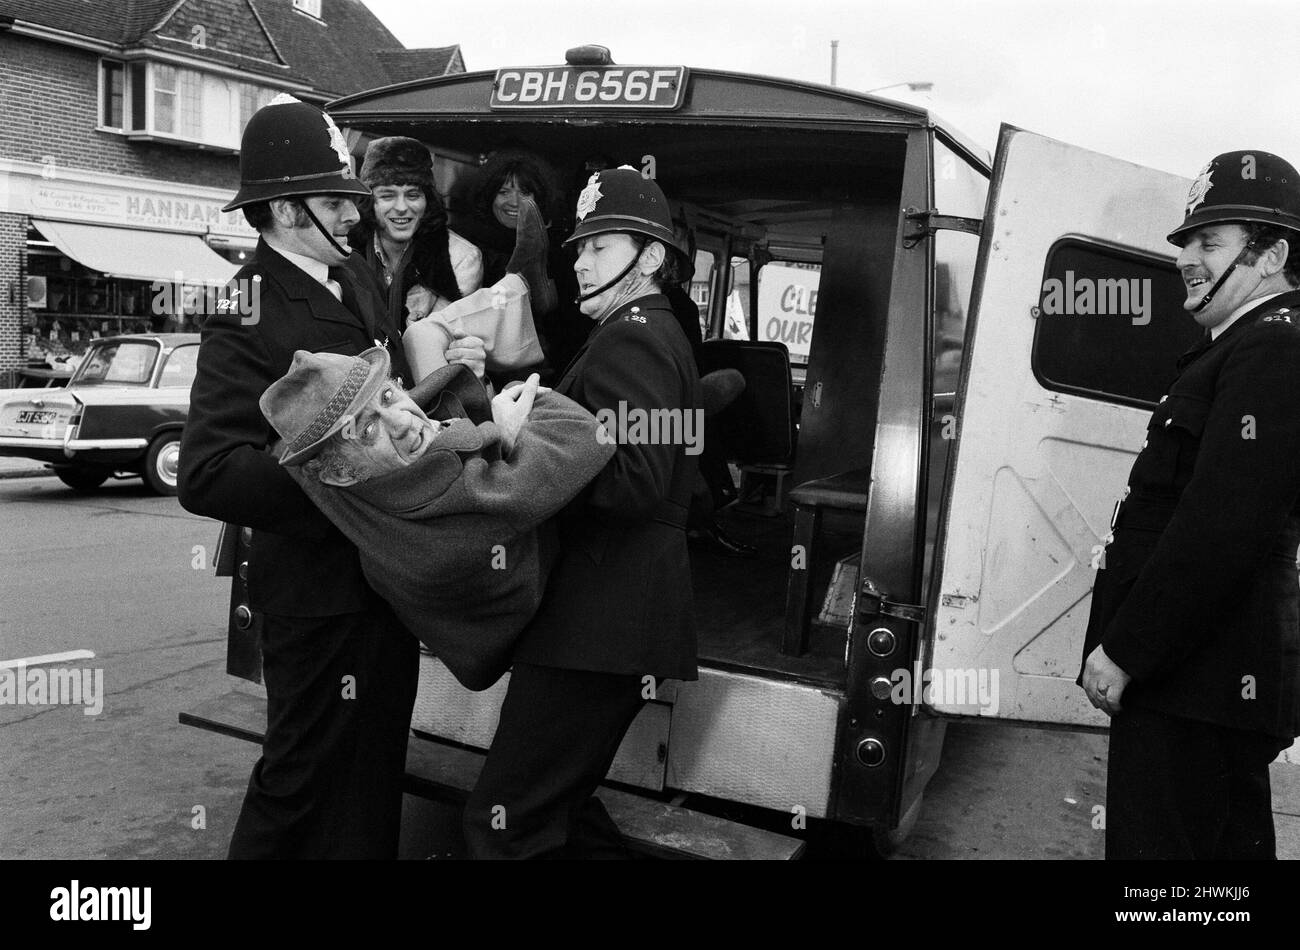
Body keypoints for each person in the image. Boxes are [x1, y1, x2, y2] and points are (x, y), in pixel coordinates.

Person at [177, 94, 486, 860]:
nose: (354, 215)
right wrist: (348, 478)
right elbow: (207, 472)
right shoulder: (246, 309)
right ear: (283, 211)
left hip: (378, 588)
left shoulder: (351, 282)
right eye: (334, 201)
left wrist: (433, 396)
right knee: (301, 780)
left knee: (372, 775)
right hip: (315, 600)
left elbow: (373, 404)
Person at [462, 166, 703, 859]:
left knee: (504, 823)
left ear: (650, 258)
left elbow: (636, 479)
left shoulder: (637, 336)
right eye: (577, 248)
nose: (579, 261)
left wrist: (517, 444)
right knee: (558, 812)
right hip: (612, 621)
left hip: (598, 620)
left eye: (599, 247)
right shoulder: (648, 330)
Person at [1078, 149, 1300, 860]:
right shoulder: (1244, 345)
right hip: (1203, 681)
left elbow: (1221, 529)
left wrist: (1128, 651)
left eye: (1212, 242)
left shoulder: (1272, 352)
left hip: (1194, 685)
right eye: (1188, 242)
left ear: (1272, 257)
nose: (1187, 259)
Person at [258, 347, 614, 691]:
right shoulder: (450, 528)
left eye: (386, 396)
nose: (402, 422)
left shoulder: (355, 497)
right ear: (341, 475)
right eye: (368, 431)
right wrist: (499, 430)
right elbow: (585, 434)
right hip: (556, 631)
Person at [453, 148, 588, 373]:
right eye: (504, 192)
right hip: (476, 365)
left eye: (525, 192)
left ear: (539, 198)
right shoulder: (468, 246)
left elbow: (571, 328)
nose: (514, 202)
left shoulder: (556, 252)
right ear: (489, 196)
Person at [353, 136, 483, 326]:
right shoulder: (345, 247)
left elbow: (440, 337)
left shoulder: (461, 258)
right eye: (387, 196)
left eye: (413, 195)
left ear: (427, 201)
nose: (401, 207)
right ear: (370, 202)